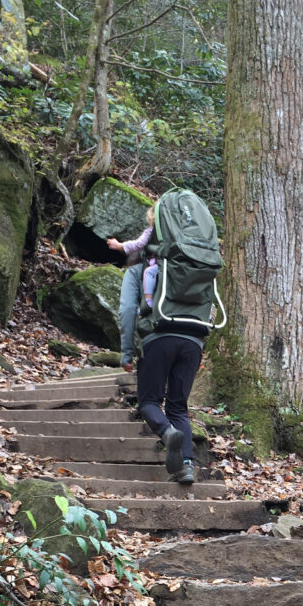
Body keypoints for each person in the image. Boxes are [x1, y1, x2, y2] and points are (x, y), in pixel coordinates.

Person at [116, 215, 205, 487]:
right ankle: (186, 466)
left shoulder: (138, 270)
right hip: (194, 340)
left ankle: (168, 434)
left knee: (149, 402)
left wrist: (127, 353)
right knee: (178, 406)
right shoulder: (193, 266)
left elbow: (128, 311)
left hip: (158, 337)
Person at [108, 207, 159, 309]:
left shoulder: (151, 231)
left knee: (148, 273)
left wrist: (119, 245)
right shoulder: (176, 232)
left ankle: (148, 301)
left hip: (156, 265)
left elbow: (137, 244)